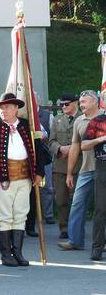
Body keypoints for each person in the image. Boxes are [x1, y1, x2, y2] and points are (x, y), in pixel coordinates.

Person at [0, 93, 45, 267]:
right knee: (5, 216)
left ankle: (17, 252)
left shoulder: (26, 126)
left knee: (21, 215)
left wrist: (39, 172)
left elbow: (38, 151)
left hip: (24, 178)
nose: (4, 110)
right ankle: (5, 254)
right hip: (3, 178)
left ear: (16, 108)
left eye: (7, 107)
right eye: (1, 107)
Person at [58, 90, 102, 251]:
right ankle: (75, 240)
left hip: (103, 169)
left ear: (95, 102)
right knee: (77, 203)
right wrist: (69, 173)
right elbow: (75, 148)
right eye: (81, 102)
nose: (81, 105)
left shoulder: (104, 117)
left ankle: (101, 241)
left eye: (84, 102)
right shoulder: (79, 121)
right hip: (86, 169)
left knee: (102, 207)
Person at [49, 93, 81, 239]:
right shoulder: (57, 120)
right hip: (61, 166)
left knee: (77, 200)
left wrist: (73, 148)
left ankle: (77, 227)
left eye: (66, 104)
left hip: (79, 166)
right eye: (61, 104)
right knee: (61, 200)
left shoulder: (83, 118)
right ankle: (64, 228)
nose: (63, 107)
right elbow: (51, 141)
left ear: (76, 103)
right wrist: (60, 149)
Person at [81, 112, 106, 260]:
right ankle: (97, 247)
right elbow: (84, 145)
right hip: (103, 166)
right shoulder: (97, 121)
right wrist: (102, 138)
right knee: (101, 209)